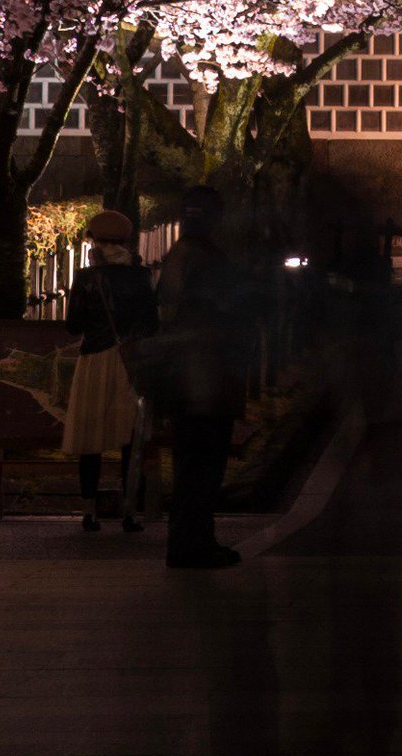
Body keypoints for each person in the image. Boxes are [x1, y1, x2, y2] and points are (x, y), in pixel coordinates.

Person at [153, 186, 260, 570]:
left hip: (184, 376)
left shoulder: (177, 256)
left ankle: (190, 540)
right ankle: (193, 543)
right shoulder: (207, 260)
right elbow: (227, 311)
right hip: (207, 376)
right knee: (203, 464)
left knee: (190, 464)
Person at [60, 209, 157, 532]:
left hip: (95, 361)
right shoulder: (141, 276)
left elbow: (73, 326)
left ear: (95, 243)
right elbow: (152, 324)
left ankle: (91, 511)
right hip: (130, 363)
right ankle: (130, 512)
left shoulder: (87, 279)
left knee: (91, 438)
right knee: (131, 437)